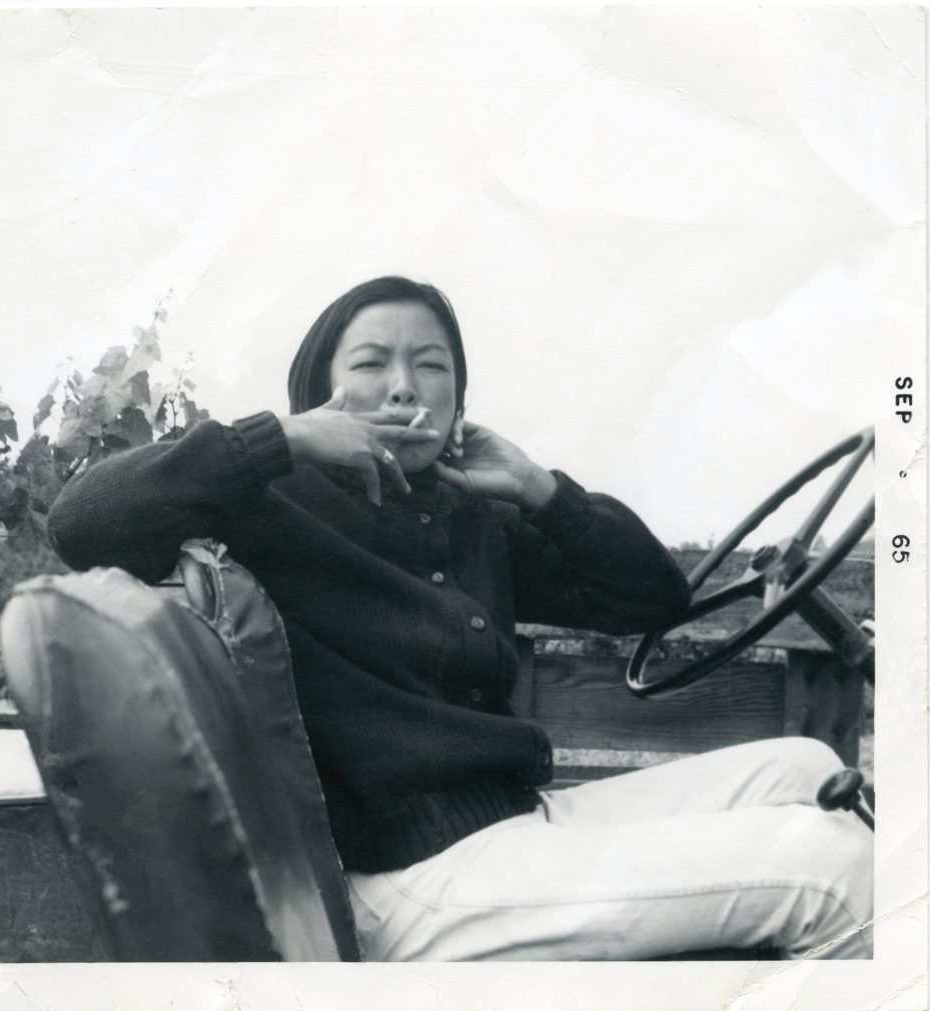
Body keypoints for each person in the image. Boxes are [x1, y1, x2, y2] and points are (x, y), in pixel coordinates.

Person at [47, 275, 872, 961]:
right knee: (831, 869)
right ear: (320, 392)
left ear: (459, 397)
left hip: (513, 824)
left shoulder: (472, 517)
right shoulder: (272, 503)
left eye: (431, 366)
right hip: (406, 877)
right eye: (371, 363)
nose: (404, 385)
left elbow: (654, 596)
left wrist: (543, 489)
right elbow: (81, 521)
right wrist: (287, 439)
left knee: (802, 765)